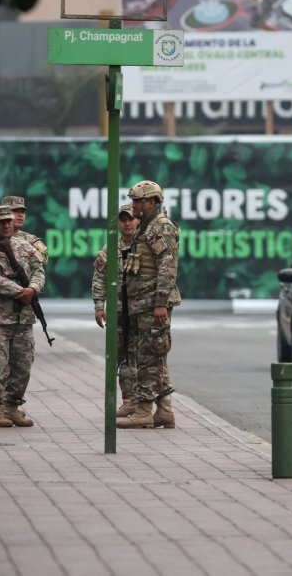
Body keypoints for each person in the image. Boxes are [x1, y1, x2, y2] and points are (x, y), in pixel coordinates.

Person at [0, 205, 45, 428]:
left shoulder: (25, 246)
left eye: (8, 221)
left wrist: (33, 288)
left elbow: (39, 270)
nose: (6, 225)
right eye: (0, 222)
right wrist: (20, 291)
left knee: (23, 364)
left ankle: (12, 407)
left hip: (24, 318)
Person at [117, 181, 182, 429]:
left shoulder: (161, 227)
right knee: (155, 355)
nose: (134, 206)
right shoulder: (145, 227)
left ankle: (144, 411)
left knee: (149, 358)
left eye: (138, 201)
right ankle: (164, 410)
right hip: (141, 303)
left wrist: (160, 303)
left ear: (152, 202)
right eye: (133, 201)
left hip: (152, 304)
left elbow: (167, 265)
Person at [92, 204, 140, 416]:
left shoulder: (145, 246)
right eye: (123, 219)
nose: (128, 223)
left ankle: (150, 405)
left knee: (147, 360)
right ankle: (130, 402)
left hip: (142, 312)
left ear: (138, 220)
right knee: (123, 358)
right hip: (119, 313)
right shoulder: (110, 249)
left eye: (131, 219)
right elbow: (99, 278)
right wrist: (99, 306)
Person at [1, 195, 49, 267]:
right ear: (3, 213)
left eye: (22, 212)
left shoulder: (31, 239)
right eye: (15, 211)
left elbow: (44, 257)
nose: (20, 215)